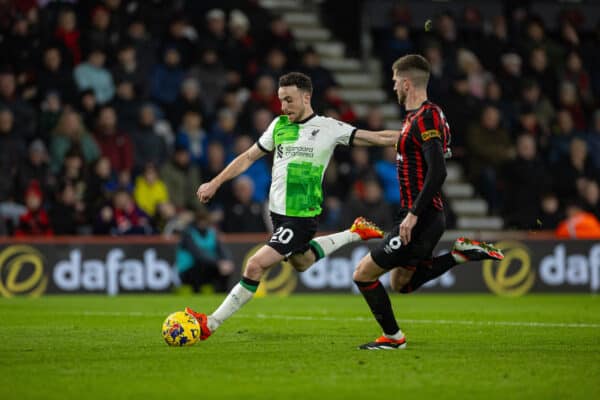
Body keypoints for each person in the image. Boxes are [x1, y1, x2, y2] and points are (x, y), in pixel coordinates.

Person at [186, 72, 400, 340]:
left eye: (289, 100)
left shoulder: (328, 128)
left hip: (300, 217)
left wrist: (413, 135)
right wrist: (215, 183)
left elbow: (376, 137)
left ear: (306, 97)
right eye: (280, 100)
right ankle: (355, 232)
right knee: (302, 261)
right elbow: (249, 156)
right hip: (277, 215)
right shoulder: (279, 126)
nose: (283, 107)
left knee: (254, 265)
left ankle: (210, 324)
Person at [351, 54, 505, 350]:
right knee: (401, 284)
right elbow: (410, 145)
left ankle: (394, 338)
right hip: (423, 217)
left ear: (407, 83)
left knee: (363, 274)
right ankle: (459, 255)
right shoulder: (416, 119)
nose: (393, 86)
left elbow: (439, 171)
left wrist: (412, 214)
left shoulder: (427, 116)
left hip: (420, 217)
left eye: (396, 81)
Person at [177, 208, 235, 293]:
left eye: (204, 220)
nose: (202, 223)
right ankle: (197, 294)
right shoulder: (188, 234)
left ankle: (221, 296)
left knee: (224, 270)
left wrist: (227, 261)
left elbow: (222, 249)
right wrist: (218, 263)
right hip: (188, 270)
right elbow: (198, 255)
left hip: (209, 266)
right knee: (201, 267)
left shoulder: (212, 233)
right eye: (200, 221)